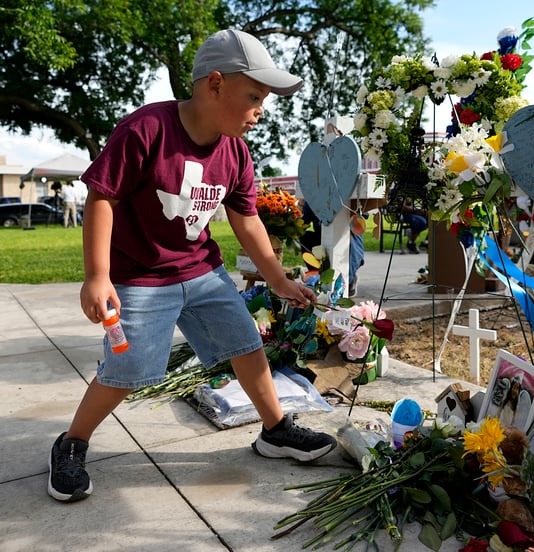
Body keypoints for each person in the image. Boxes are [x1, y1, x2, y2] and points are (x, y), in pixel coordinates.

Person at [47, 29, 335, 503]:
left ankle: (275, 430)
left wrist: (278, 278)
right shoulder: (146, 129)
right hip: (140, 276)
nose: (260, 111)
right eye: (254, 97)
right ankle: (72, 442)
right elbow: (103, 197)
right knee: (128, 366)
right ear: (214, 84)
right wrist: (97, 276)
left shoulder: (236, 151)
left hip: (202, 272)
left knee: (246, 343)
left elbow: (248, 220)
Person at [300, 202, 364, 297]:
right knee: (304, 236)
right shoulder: (313, 197)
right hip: (322, 238)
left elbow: (362, 212)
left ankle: (350, 278)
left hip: (347, 239)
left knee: (346, 243)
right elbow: (303, 221)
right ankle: (317, 276)